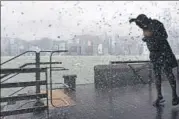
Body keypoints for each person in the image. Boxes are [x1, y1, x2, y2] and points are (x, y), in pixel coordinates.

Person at [129, 14, 179, 106]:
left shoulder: (156, 24)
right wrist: (146, 38)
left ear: (144, 21)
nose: (141, 28)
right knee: (157, 75)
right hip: (154, 54)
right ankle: (159, 96)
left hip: (163, 53)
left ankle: (174, 95)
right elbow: (149, 38)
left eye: (140, 25)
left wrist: (152, 34)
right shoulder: (145, 27)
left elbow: (164, 36)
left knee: (168, 73)